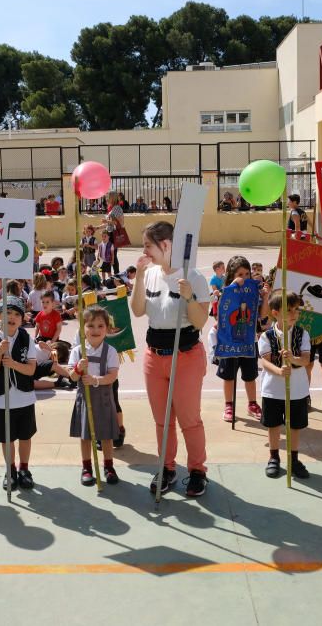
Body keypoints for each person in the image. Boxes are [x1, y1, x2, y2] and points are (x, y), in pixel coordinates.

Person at [130, 221, 211, 497]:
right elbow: (139, 311)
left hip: (186, 355)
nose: (145, 252)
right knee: (162, 420)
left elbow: (200, 322)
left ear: (165, 245)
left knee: (189, 419)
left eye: (148, 246)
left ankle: (198, 470)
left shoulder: (195, 277)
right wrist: (139, 278)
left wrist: (188, 298)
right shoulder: (149, 273)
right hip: (155, 356)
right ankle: (167, 468)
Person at [0, 296, 40, 491]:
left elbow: (31, 369)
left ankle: (25, 469)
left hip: (24, 396)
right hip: (1, 398)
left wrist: (14, 364)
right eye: (8, 312)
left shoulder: (27, 338)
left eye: (17, 314)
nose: (13, 317)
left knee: (25, 436)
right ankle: (11, 470)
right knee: (7, 438)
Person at [63, 305, 121, 486]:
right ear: (83, 328)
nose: (95, 330)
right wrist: (78, 368)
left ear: (108, 329)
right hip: (84, 397)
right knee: (85, 435)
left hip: (103, 398)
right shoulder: (77, 351)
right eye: (90, 326)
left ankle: (109, 466)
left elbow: (112, 376)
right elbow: (71, 377)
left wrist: (95, 380)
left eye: (100, 326)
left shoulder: (110, 351)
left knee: (106, 435)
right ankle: (87, 467)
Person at [258, 291, 311, 479]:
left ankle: (294, 459)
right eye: (289, 310)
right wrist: (279, 371)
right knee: (273, 425)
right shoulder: (267, 336)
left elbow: (306, 359)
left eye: (296, 309)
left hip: (296, 389)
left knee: (295, 425)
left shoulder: (302, 334)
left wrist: (293, 359)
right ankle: (274, 457)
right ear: (275, 313)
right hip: (273, 389)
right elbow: (265, 361)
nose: (294, 313)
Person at [216, 257, 266, 422]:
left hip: (249, 341)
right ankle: (228, 404)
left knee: (250, 375)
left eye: (246, 274)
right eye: (239, 274)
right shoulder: (226, 291)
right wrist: (232, 287)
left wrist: (265, 296)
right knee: (229, 376)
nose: (244, 278)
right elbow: (220, 315)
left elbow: (263, 315)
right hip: (230, 341)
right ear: (231, 275)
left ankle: (252, 403)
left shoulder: (253, 292)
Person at [100, 191, 125, 272]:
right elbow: (109, 223)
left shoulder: (117, 208)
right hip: (110, 233)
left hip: (114, 234)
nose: (107, 199)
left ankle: (116, 274)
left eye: (108, 197)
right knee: (110, 254)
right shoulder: (113, 208)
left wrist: (106, 221)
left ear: (112, 198)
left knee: (113, 254)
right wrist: (96, 228)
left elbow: (118, 223)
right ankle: (112, 273)